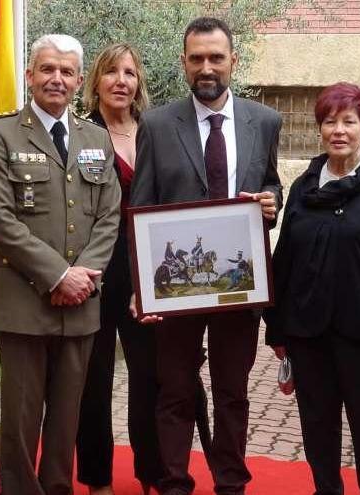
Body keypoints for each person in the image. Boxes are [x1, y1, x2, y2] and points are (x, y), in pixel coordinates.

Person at [130, 16, 283, 495]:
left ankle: (231, 482)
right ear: (183, 63)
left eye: (216, 57)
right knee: (174, 391)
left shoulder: (265, 120)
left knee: (232, 393)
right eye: (196, 58)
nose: (206, 67)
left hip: (239, 286)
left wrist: (270, 202)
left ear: (233, 61)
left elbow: (270, 182)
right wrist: (142, 288)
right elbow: (141, 204)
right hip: (176, 292)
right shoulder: (155, 124)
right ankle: (175, 481)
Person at [0, 34, 121, 495]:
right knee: (20, 419)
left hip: (80, 304)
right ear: (30, 74)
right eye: (46, 69)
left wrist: (83, 279)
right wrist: (58, 275)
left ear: (80, 81)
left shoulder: (96, 137)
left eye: (66, 71)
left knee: (66, 417)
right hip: (23, 303)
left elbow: (108, 215)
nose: (56, 79)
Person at [263, 82, 360, 495]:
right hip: (308, 333)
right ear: (319, 129)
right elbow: (285, 256)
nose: (339, 130)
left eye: (349, 121)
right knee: (317, 424)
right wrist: (277, 328)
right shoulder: (306, 186)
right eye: (329, 122)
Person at [75, 43, 163, 495]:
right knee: (94, 378)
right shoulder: (78, 134)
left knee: (149, 376)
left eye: (129, 73)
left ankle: (151, 473)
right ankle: (97, 479)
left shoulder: (155, 132)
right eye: (111, 72)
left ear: (138, 83)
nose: (121, 81)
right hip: (92, 271)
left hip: (144, 270)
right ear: (96, 82)